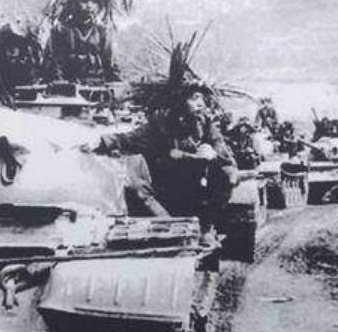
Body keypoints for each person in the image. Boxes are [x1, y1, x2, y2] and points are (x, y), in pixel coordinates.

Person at [93, 88, 237, 245]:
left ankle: (205, 228)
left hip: (197, 191)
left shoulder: (205, 124)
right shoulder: (159, 125)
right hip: (165, 189)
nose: (200, 104)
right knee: (134, 186)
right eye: (194, 98)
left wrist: (213, 153)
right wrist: (101, 142)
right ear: (179, 102)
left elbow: (223, 152)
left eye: (201, 99)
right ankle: (170, 227)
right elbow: (129, 139)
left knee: (227, 174)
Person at [43, 0, 128, 83]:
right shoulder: (61, 31)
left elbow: (110, 66)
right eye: (84, 1)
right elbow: (54, 64)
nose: (89, 6)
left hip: (97, 86)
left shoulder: (102, 32)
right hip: (68, 86)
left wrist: (117, 85)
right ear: (74, 3)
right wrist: (61, 85)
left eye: (94, 2)